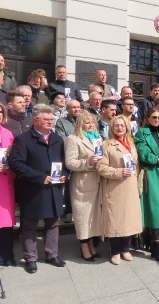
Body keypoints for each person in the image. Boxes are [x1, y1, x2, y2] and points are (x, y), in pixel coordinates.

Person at [9, 104, 68, 274]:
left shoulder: (57, 139)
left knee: (53, 223)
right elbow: (16, 164)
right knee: (29, 226)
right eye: (46, 119)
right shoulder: (23, 139)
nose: (50, 122)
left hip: (54, 190)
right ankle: (31, 258)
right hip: (33, 190)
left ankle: (52, 254)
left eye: (51, 119)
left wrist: (65, 174)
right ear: (35, 120)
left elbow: (64, 162)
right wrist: (39, 177)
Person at [97, 115, 143, 264]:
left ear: (127, 128)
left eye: (122, 125)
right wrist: (118, 172)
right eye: (116, 125)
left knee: (128, 218)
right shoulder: (107, 145)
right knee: (115, 220)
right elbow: (101, 167)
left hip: (130, 186)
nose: (119, 128)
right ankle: (115, 251)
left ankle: (126, 249)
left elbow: (136, 165)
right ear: (111, 128)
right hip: (115, 187)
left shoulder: (131, 144)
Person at [64, 112, 102, 261]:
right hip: (83, 183)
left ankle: (92, 246)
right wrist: (88, 162)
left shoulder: (97, 138)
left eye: (92, 122)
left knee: (93, 218)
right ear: (80, 124)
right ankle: (84, 248)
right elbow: (70, 163)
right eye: (87, 123)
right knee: (83, 218)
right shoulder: (73, 139)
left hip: (97, 182)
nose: (91, 125)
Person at [134, 108, 159, 262]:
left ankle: (152, 240)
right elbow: (142, 152)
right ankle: (156, 245)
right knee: (154, 209)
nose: (157, 120)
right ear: (147, 118)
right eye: (154, 117)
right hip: (150, 174)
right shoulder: (142, 133)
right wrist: (158, 160)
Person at [0, 103, 16, 266]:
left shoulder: (8, 133)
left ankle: (8, 255)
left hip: (6, 183)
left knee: (6, 222)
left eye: (0, 112)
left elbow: (13, 157)